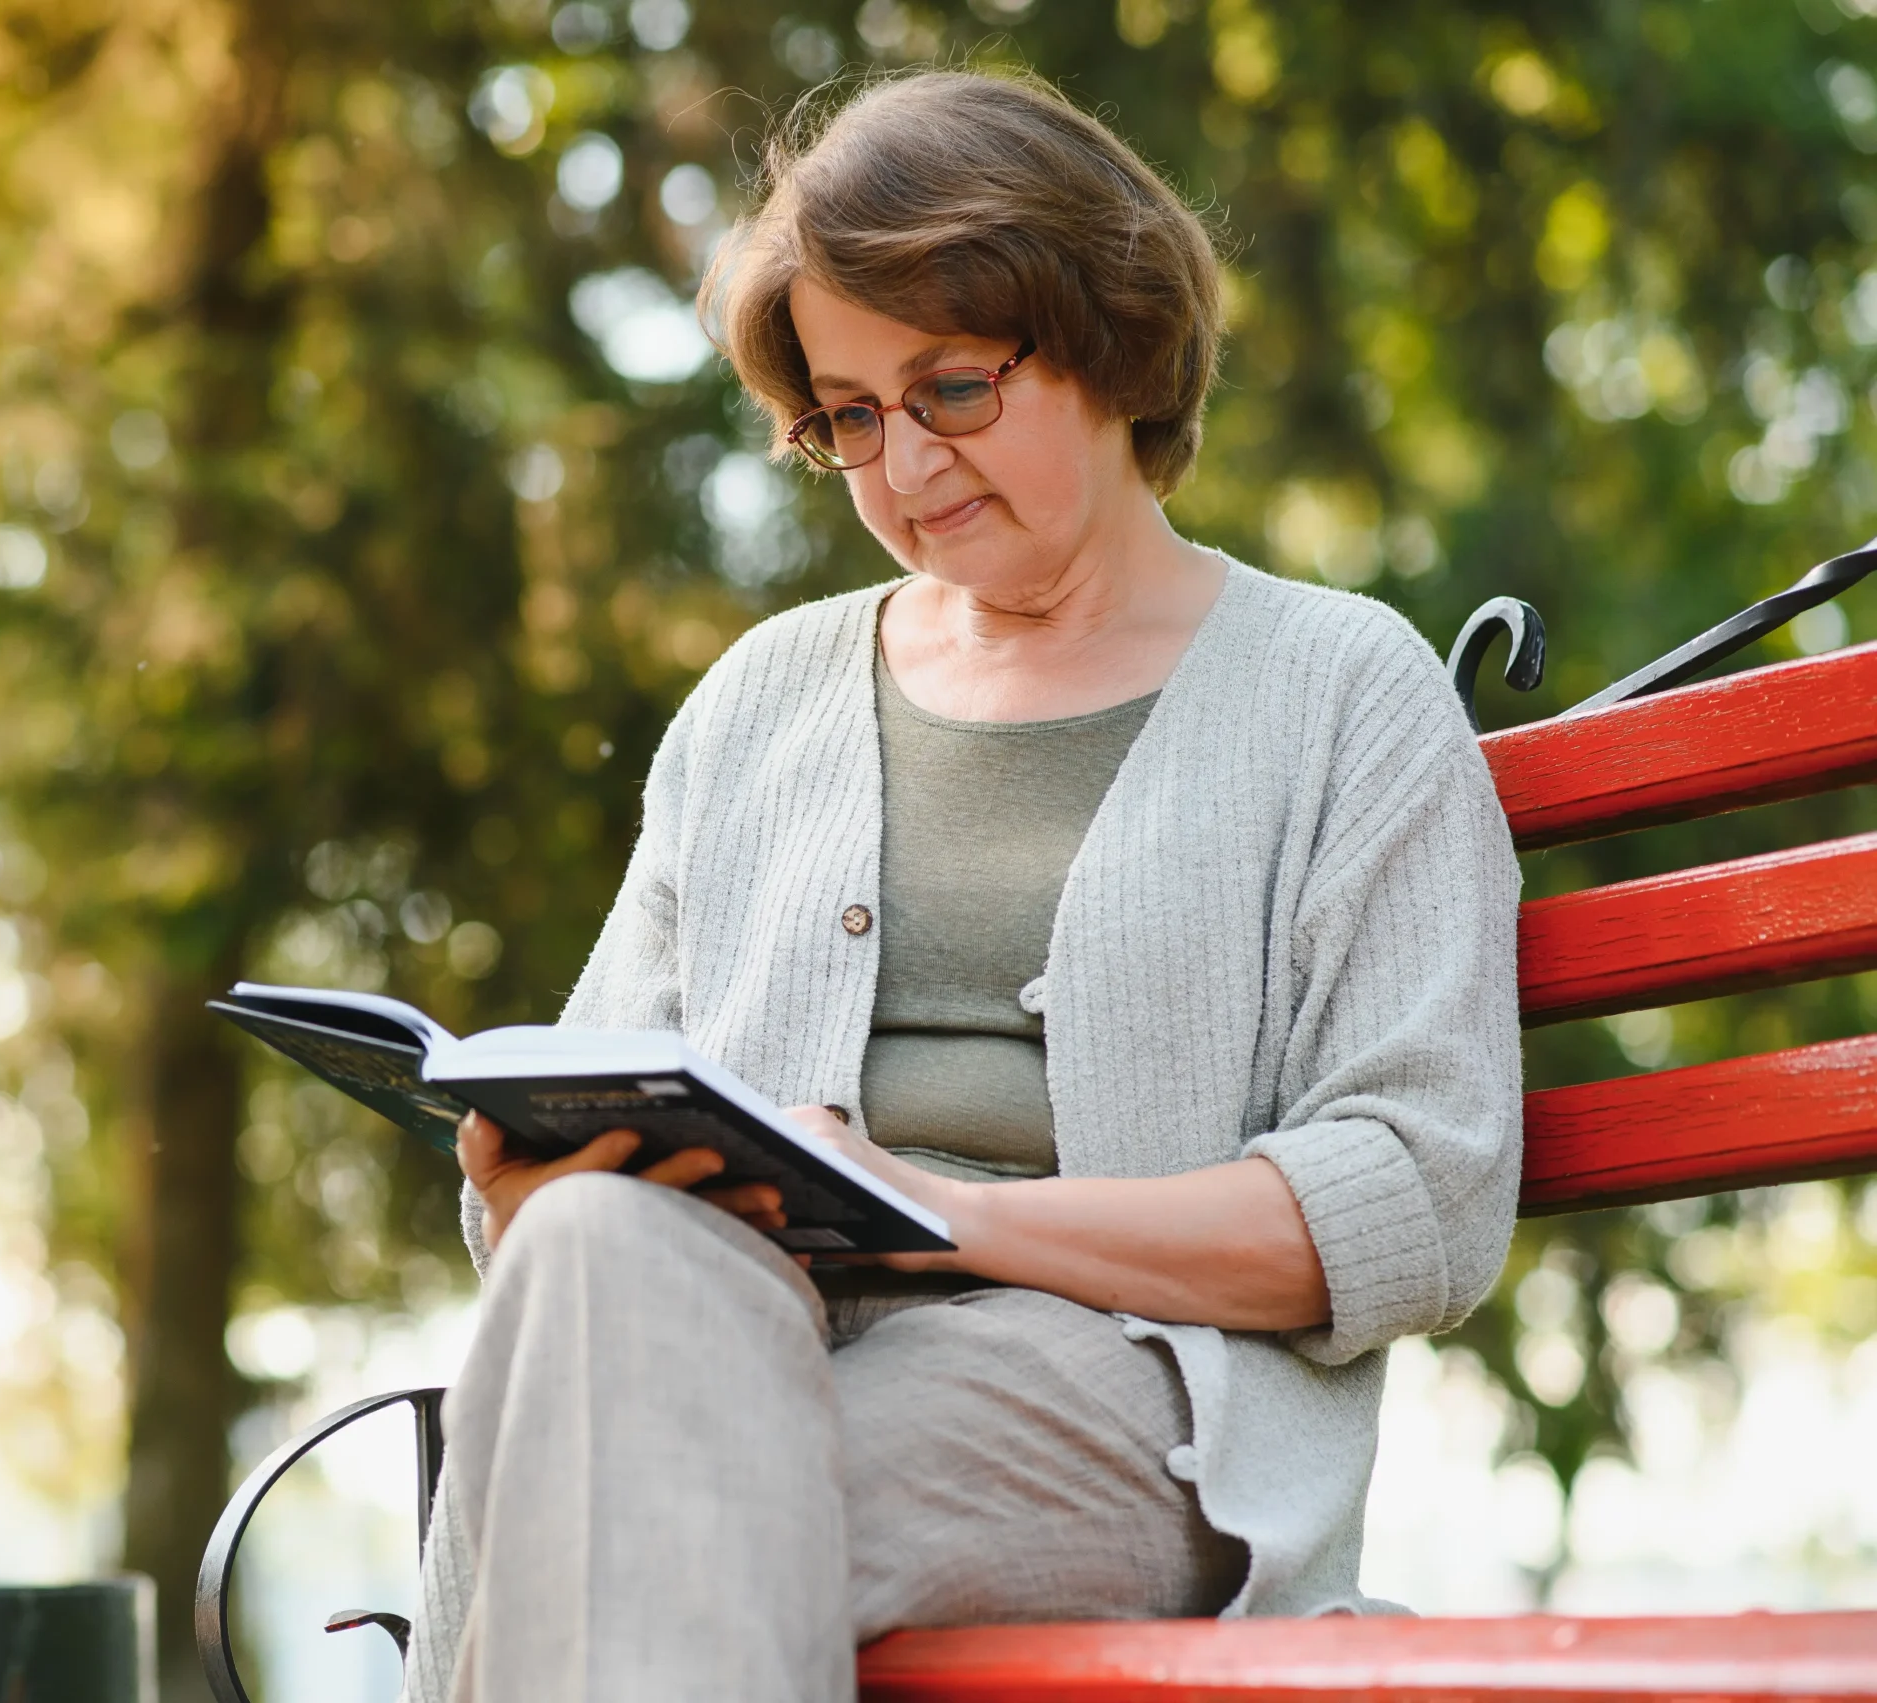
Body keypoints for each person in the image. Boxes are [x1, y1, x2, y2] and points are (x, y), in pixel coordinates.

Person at [400, 67, 1522, 1703]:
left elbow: (1416, 1196)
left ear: (1111, 336)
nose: (901, 461)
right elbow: (589, 1109)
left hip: (1119, 1382)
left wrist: (941, 1219)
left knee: (645, 1495)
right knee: (589, 1268)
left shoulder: (1343, 689)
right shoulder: (760, 702)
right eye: (849, 416)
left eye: (951, 389)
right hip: (728, 1330)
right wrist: (527, 1181)